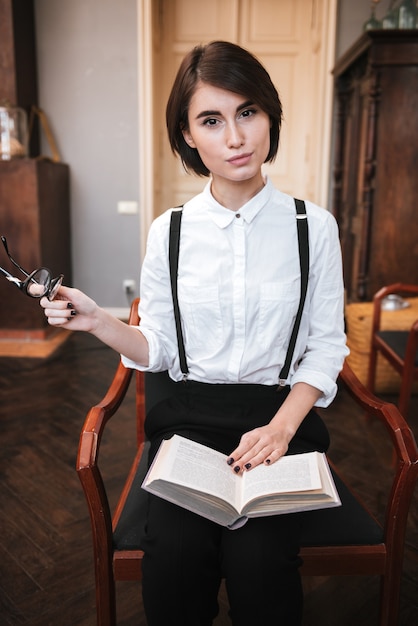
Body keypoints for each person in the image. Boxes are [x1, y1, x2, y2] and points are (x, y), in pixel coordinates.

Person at [41, 41, 349, 626]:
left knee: (262, 565)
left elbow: (326, 345)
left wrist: (282, 429)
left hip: (279, 419)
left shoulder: (315, 228)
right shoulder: (170, 232)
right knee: (176, 560)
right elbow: (158, 346)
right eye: (212, 120)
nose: (235, 137)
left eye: (248, 112)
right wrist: (99, 320)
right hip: (187, 420)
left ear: (269, 117)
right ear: (188, 136)